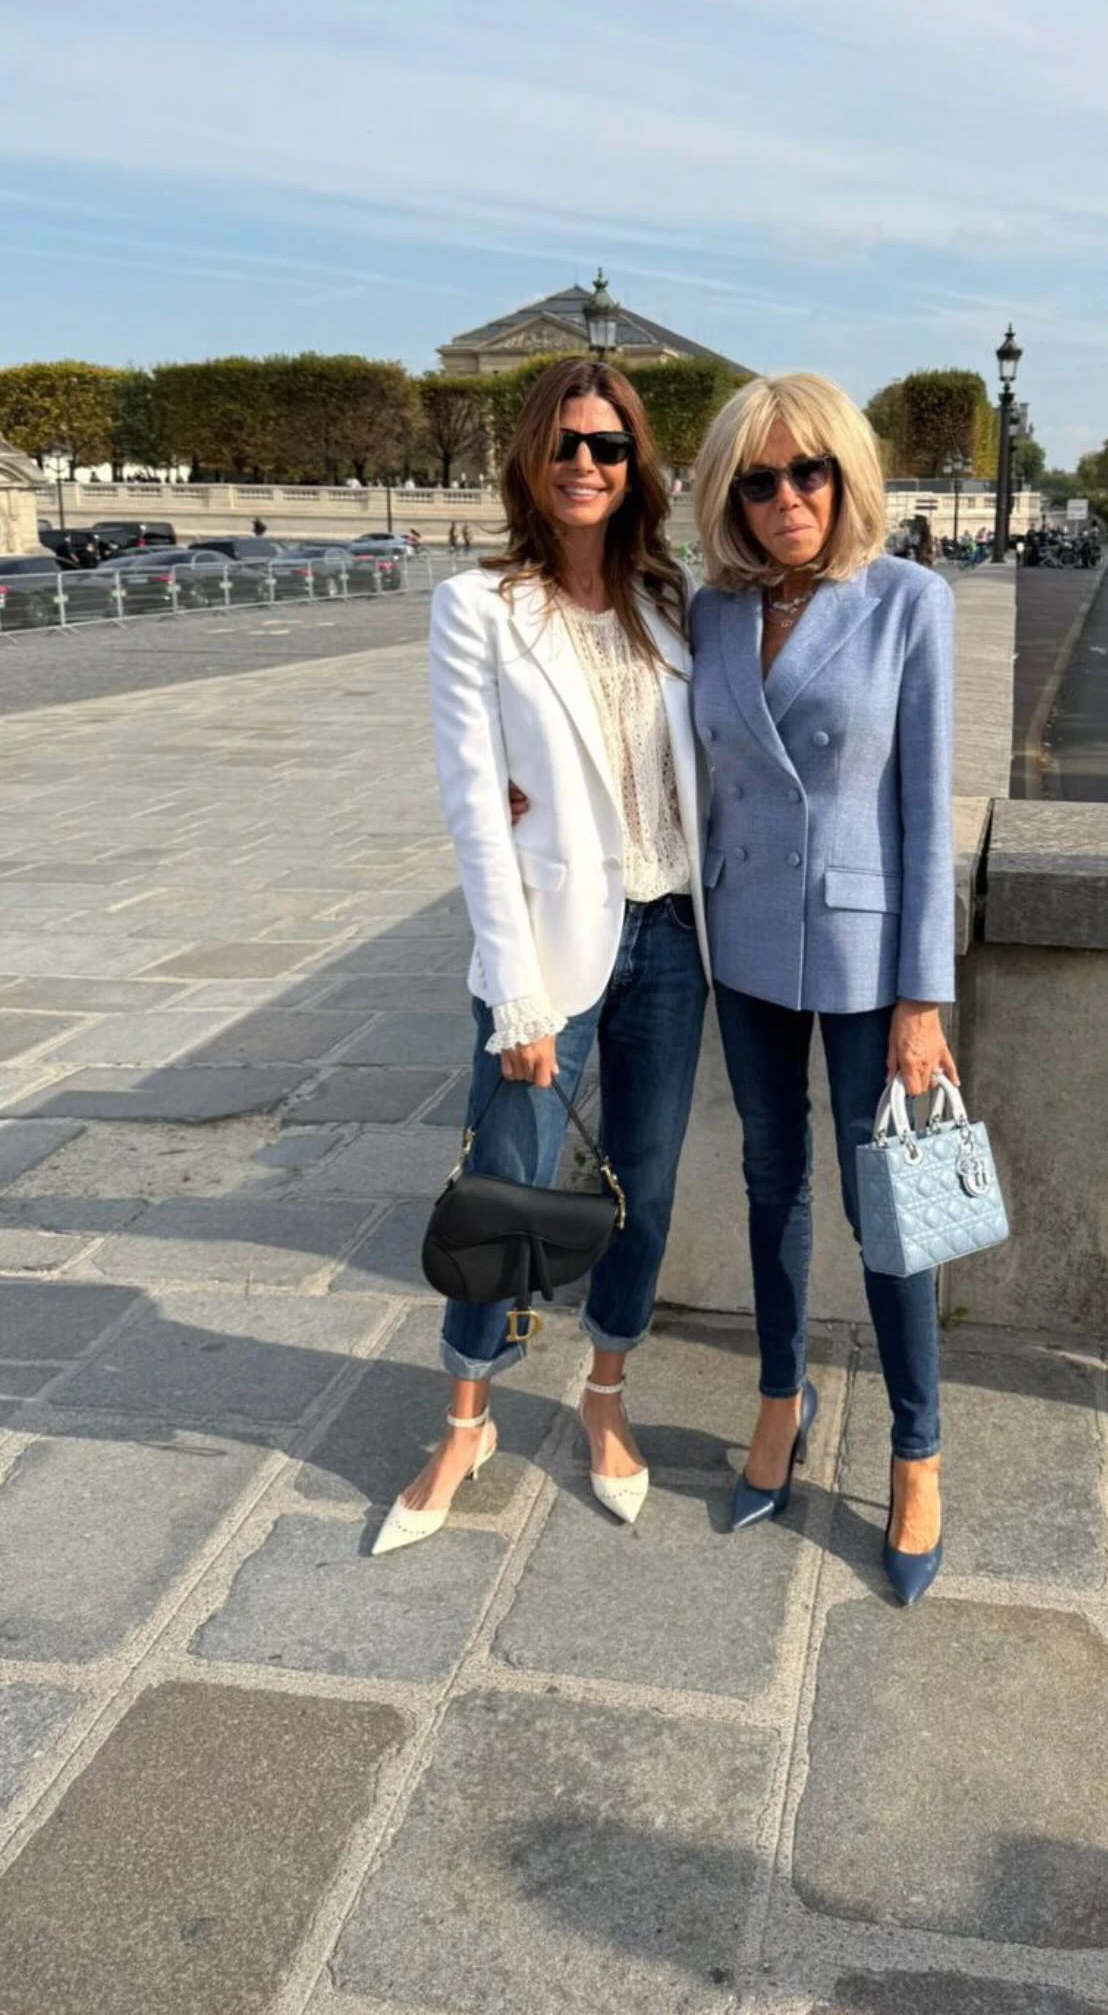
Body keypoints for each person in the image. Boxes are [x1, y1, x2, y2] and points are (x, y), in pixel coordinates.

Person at [374, 357, 710, 1555]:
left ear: (635, 465)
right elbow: (476, 808)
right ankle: (466, 1419)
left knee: (645, 1187)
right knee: (502, 1190)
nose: (585, 463)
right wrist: (515, 995)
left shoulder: (670, 601)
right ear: (531, 457)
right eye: (566, 442)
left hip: (673, 935)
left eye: (608, 445)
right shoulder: (478, 607)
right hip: (552, 948)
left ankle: (604, 1396)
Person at [689, 374, 956, 1604]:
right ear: (729, 496)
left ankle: (917, 1447)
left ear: (848, 477)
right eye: (759, 479)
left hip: (863, 953)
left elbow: (925, 814)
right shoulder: (711, 611)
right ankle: (778, 1396)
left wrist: (922, 999)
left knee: (889, 1207)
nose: (787, 497)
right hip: (743, 937)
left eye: (810, 472)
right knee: (769, 1181)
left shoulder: (908, 602)